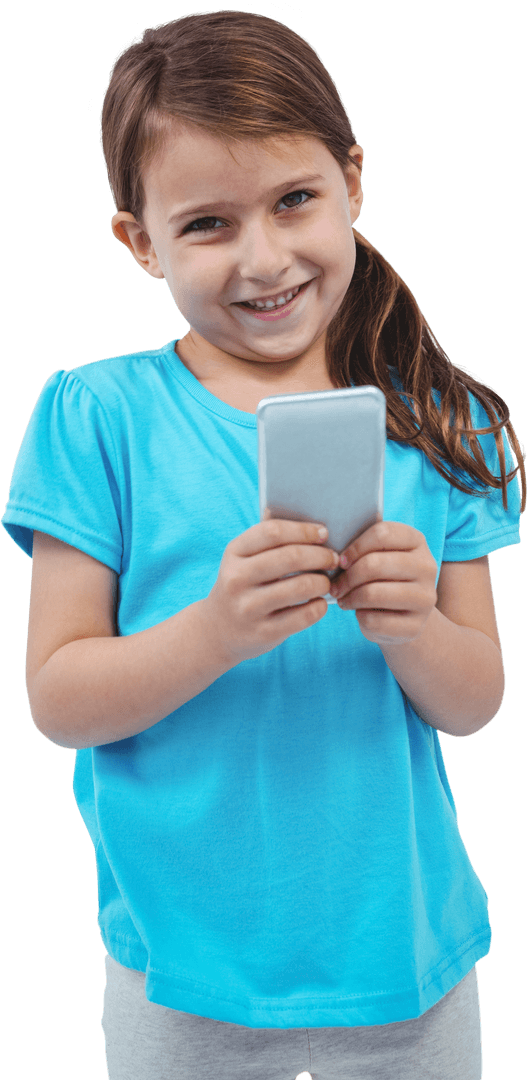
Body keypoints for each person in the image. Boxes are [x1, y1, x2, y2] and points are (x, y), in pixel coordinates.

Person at [1, 10, 526, 1080]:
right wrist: (214, 630)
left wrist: (413, 625)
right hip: (182, 981)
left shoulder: (446, 424)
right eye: (206, 224)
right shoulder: (95, 415)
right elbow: (57, 699)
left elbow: (476, 702)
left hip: (410, 976)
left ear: (353, 183)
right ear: (140, 241)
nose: (265, 257)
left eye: (295, 200)